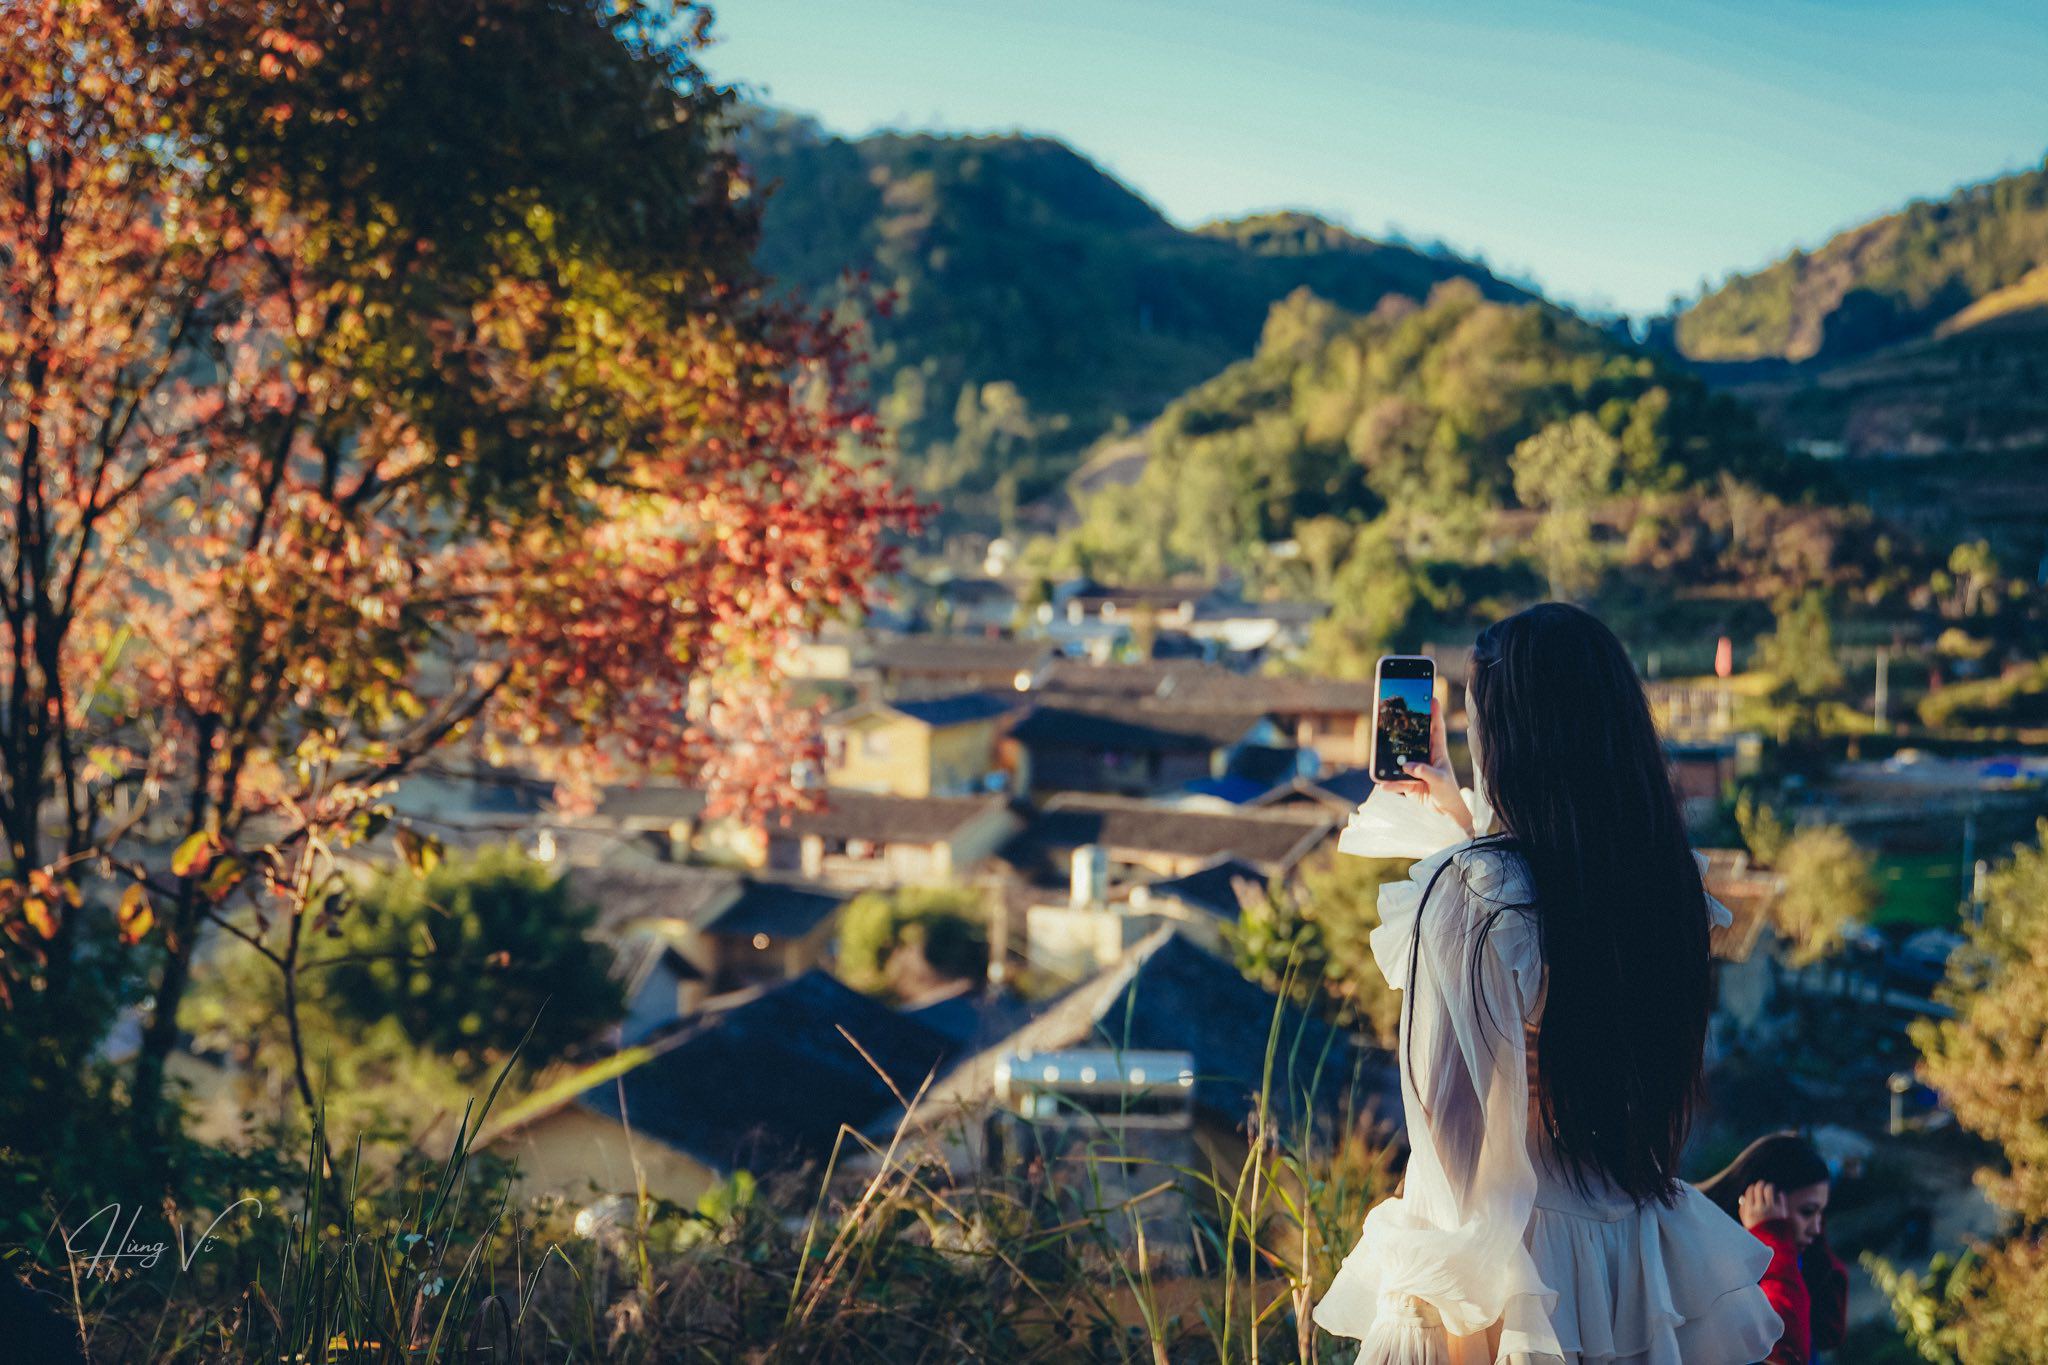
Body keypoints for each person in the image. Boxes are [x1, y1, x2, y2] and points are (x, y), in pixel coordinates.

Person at [1314, 603, 1783, 1364]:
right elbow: (1557, 917)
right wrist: (1459, 814)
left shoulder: (1472, 895)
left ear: (1506, 741)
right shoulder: (1667, 887)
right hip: (1630, 1245)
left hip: (1517, 1269)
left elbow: (1450, 1154)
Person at [1697, 1132, 1850, 1364]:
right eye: (1808, 1212)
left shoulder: (1793, 1258)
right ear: (1759, 1200)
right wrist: (1772, 1235)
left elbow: (1830, 1330)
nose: (1817, 1229)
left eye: (1821, 1214)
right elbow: (1789, 1350)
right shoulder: (1715, 1269)